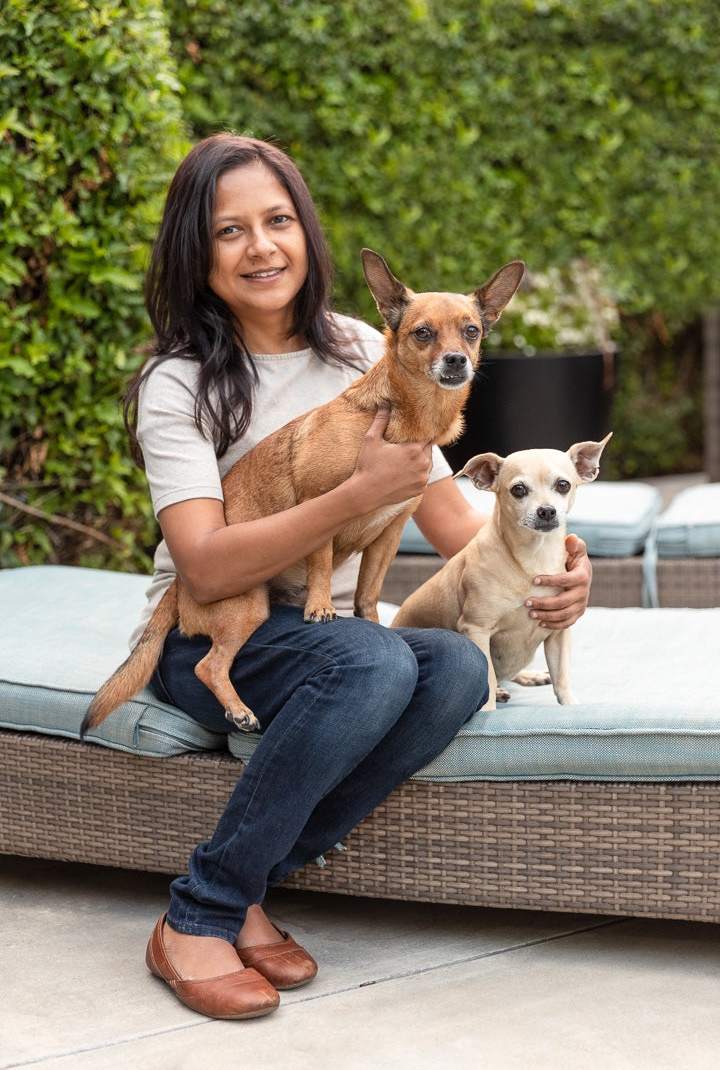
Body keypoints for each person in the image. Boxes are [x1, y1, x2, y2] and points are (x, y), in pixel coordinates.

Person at [125, 133, 593, 1020]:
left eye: (277, 220)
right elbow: (201, 559)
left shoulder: (362, 346)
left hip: (330, 636)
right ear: (197, 250)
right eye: (230, 231)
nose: (261, 246)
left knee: (458, 665)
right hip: (215, 625)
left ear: (307, 232)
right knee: (375, 659)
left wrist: (558, 559)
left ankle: (252, 885)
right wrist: (357, 496)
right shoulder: (178, 380)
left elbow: (458, 523)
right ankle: (201, 914)